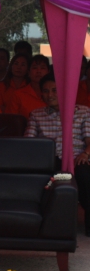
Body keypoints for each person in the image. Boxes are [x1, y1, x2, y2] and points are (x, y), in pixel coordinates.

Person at [24, 74, 90, 236]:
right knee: (47, 175)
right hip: (50, 160)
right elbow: (28, 142)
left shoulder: (83, 112)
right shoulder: (36, 114)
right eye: (46, 91)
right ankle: (48, 223)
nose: (50, 95)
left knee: (85, 175)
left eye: (55, 90)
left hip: (78, 158)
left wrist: (86, 154)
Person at [6, 54, 50, 119]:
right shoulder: (18, 95)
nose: (38, 71)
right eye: (35, 68)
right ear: (28, 72)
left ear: (48, 72)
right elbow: (10, 120)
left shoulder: (55, 94)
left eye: (42, 68)